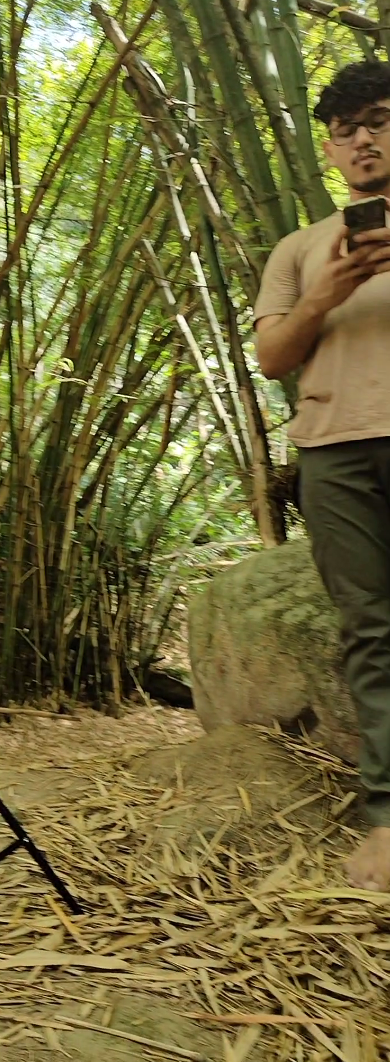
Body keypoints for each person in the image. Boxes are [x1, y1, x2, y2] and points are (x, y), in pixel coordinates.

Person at [254, 60, 390, 892]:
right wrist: (323, 296)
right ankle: (389, 818)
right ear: (331, 151)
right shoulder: (301, 248)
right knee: (372, 632)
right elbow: (272, 356)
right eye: (346, 131)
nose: (364, 139)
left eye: (379, 120)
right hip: (335, 453)